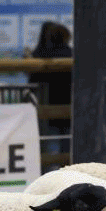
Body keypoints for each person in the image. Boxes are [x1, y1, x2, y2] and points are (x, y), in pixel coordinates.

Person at [29, 21, 73, 168]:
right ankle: (67, 171)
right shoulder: (71, 54)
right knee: (67, 144)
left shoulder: (42, 56)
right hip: (68, 106)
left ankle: (48, 172)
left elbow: (33, 78)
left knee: (48, 143)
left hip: (47, 107)